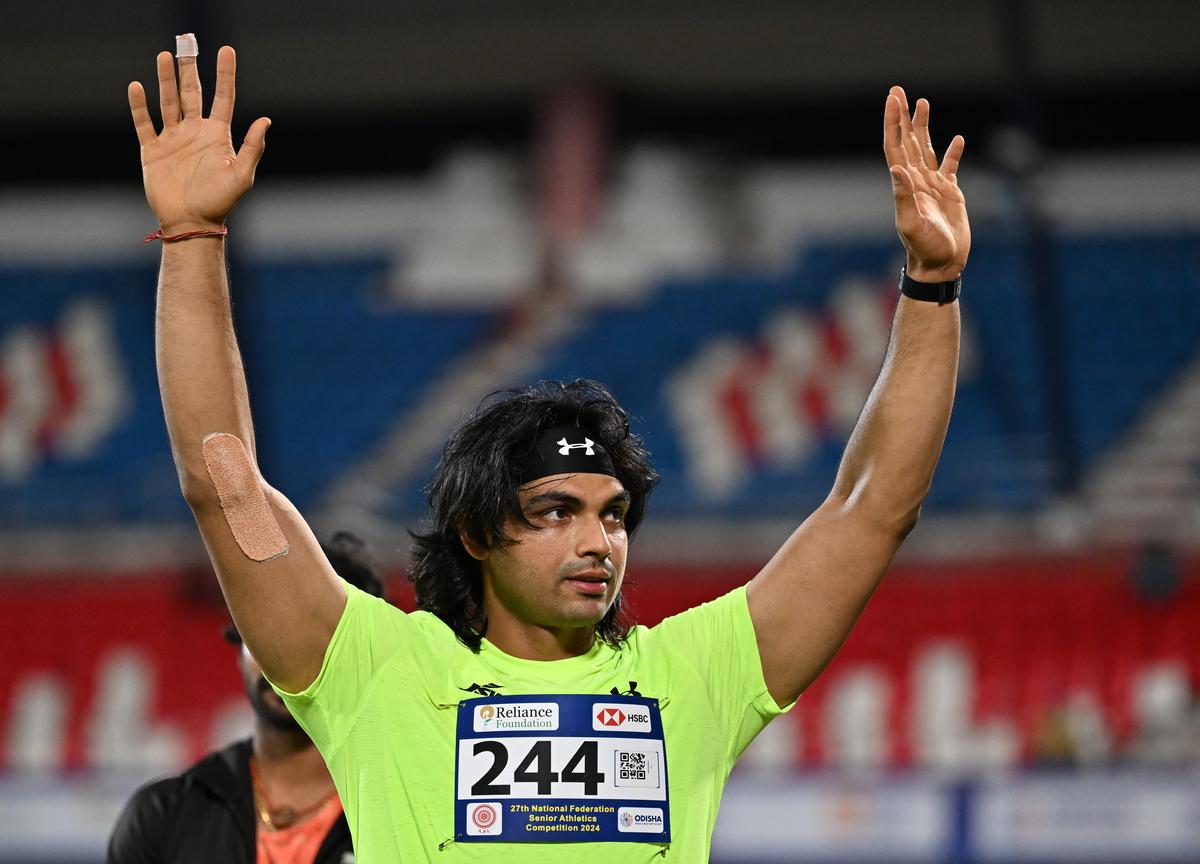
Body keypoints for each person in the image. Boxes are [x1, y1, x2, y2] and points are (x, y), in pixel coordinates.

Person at [127, 36, 967, 861]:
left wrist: (931, 288)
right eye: (554, 512)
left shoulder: (692, 681)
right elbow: (224, 481)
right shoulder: (377, 674)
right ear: (478, 534)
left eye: (611, 515)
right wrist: (194, 235)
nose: (596, 541)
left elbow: (872, 509)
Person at [106, 533, 384, 864]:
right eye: (264, 635)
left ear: (362, 653)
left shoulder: (406, 808)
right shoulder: (165, 815)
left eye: (314, 634)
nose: (286, 659)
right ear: (238, 649)